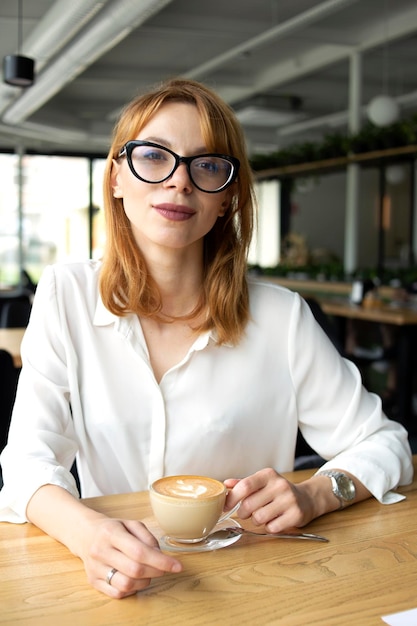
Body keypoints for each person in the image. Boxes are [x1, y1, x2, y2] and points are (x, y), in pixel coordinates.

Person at [0, 78, 413, 599]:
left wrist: (315, 495)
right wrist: (90, 535)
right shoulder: (67, 296)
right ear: (116, 179)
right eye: (154, 157)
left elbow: (386, 443)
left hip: (256, 585)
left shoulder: (282, 316)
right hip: (117, 580)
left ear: (228, 198)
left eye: (208, 165)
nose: (179, 183)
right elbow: (27, 461)